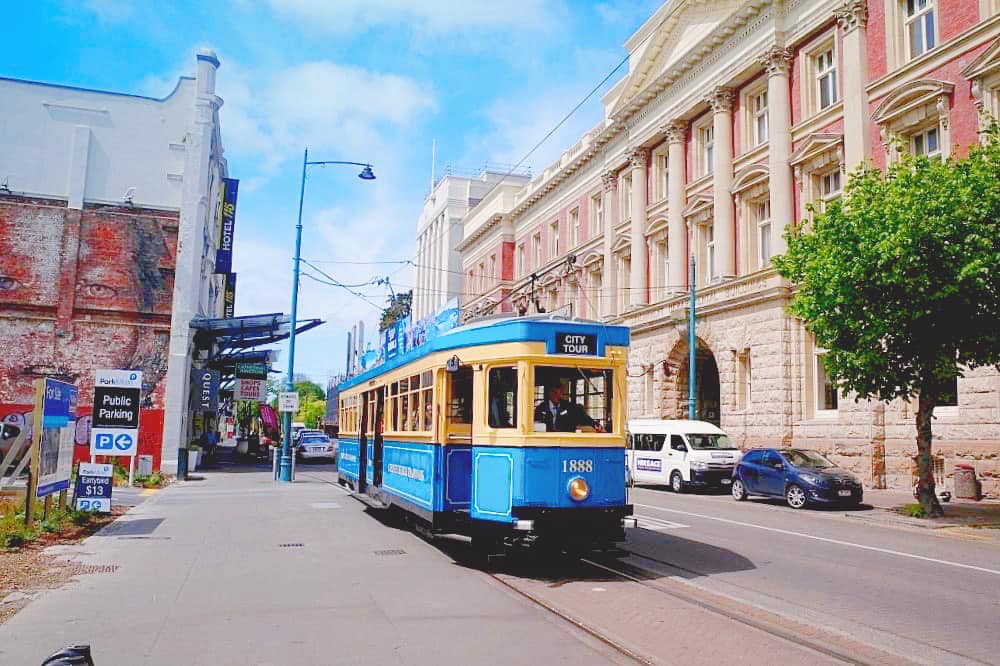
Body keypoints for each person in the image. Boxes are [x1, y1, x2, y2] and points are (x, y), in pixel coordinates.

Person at [533, 383, 605, 433]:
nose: (558, 396)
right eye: (555, 393)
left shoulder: (569, 407)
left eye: (560, 393)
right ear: (550, 393)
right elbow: (535, 424)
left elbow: (583, 417)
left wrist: (595, 425)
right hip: (546, 441)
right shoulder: (541, 408)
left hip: (566, 440)